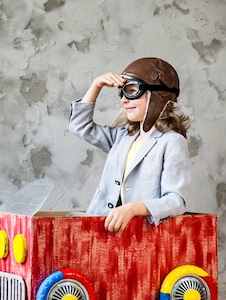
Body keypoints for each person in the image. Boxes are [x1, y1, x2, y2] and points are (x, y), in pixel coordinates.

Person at [68, 57, 191, 233]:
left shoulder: (172, 142)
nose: (123, 101)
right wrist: (96, 85)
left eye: (132, 91)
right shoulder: (121, 137)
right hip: (100, 229)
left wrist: (133, 209)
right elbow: (79, 126)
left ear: (157, 95)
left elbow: (176, 201)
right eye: (122, 94)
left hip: (137, 235)